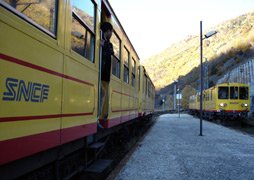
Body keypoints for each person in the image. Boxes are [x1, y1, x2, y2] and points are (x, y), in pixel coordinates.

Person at [100, 22, 114, 120]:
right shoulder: (99, 38)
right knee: (101, 93)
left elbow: (111, 52)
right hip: (99, 73)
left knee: (103, 94)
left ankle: (99, 116)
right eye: (111, 32)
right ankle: (97, 117)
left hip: (105, 75)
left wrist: (104, 45)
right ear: (108, 31)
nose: (111, 34)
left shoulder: (109, 44)